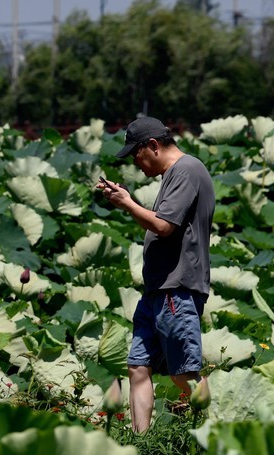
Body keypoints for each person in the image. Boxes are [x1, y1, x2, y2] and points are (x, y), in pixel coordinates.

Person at [97, 116, 215, 433]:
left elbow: (164, 226)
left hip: (177, 288)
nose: (136, 163)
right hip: (157, 291)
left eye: (136, 154)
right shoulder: (174, 174)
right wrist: (123, 198)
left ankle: (215, 432)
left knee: (183, 373)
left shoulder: (187, 170)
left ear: (152, 146)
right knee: (137, 367)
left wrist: (127, 203)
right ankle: (142, 442)